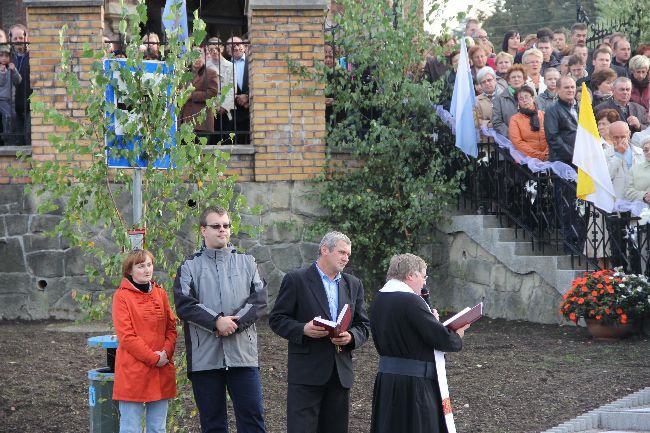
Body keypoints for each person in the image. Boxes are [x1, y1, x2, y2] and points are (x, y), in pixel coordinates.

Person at [173, 205, 268, 433]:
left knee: (253, 419)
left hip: (243, 357)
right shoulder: (189, 267)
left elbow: (260, 301)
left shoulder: (248, 262)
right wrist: (216, 321)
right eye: (216, 226)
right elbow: (184, 304)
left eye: (226, 226)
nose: (222, 230)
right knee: (213, 424)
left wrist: (232, 324)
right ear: (203, 230)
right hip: (205, 359)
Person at [269, 231, 370, 433]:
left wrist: (351, 337)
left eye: (348, 255)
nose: (345, 258)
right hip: (306, 373)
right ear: (325, 250)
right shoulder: (296, 280)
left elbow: (364, 325)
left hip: (340, 374)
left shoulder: (353, 284)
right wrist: (303, 329)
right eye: (341, 252)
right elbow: (277, 319)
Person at [369, 253, 468, 433]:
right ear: (410, 275)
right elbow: (440, 339)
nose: (424, 282)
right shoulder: (411, 301)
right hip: (413, 384)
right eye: (423, 276)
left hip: (388, 380)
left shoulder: (379, 299)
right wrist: (457, 334)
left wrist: (431, 319)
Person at [112, 249, 177, 433]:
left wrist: (166, 352)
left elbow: (171, 328)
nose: (147, 269)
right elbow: (127, 337)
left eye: (149, 265)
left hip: (160, 370)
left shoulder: (160, 293)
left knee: (158, 428)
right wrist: (154, 358)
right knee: (130, 428)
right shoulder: (121, 296)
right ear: (130, 271)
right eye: (141, 266)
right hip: (134, 371)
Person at [179, 47, 219, 136]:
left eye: (199, 57)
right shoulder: (183, 73)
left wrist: (192, 95)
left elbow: (212, 93)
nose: (197, 59)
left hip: (202, 122)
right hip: (184, 120)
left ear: (204, 57)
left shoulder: (211, 73)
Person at [206, 37, 235, 143]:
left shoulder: (231, 66)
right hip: (209, 108)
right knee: (210, 140)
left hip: (225, 109)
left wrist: (223, 105)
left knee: (225, 139)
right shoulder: (205, 65)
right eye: (211, 49)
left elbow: (232, 88)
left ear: (222, 48)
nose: (214, 51)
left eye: (217, 48)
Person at [509, 86, 548, 160]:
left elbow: (552, 136)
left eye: (526, 97)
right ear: (518, 102)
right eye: (521, 99)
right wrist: (540, 155)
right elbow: (518, 143)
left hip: (548, 156)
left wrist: (547, 153)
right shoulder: (514, 119)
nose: (524, 100)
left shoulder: (543, 115)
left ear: (532, 98)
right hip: (527, 159)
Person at [492, 64, 527, 136]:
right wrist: (512, 134)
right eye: (513, 77)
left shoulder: (531, 96)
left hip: (529, 138)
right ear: (508, 81)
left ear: (524, 80)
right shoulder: (499, 98)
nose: (516, 79)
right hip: (509, 140)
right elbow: (497, 122)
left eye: (519, 77)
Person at [9, 24, 29, 145]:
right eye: (15, 38)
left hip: (29, 106)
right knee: (17, 143)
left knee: (29, 140)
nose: (18, 41)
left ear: (26, 38)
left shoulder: (32, 57)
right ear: (10, 40)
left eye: (21, 38)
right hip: (12, 107)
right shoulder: (6, 58)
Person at [228, 36, 250, 144]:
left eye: (238, 44)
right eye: (232, 46)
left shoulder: (253, 62)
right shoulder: (224, 65)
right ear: (227, 50)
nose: (236, 47)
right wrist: (236, 97)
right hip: (234, 114)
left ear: (244, 47)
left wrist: (248, 96)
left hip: (252, 110)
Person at [0, 44, 21, 146]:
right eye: (1, 55)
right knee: (8, 115)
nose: (4, 58)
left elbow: (18, 81)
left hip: (11, 99)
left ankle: (14, 139)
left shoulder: (10, 68)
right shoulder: (1, 69)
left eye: (6, 56)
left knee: (13, 117)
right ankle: (6, 138)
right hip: (1, 100)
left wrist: (14, 70)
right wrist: (2, 73)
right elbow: (1, 83)